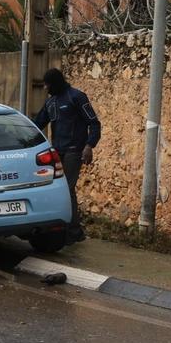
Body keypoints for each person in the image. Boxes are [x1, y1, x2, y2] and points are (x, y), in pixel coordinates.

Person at [33, 68, 102, 243]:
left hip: (74, 151)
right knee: (58, 190)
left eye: (48, 84)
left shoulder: (77, 97)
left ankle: (72, 231)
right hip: (57, 151)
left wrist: (89, 146)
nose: (45, 88)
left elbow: (94, 123)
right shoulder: (50, 103)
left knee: (67, 189)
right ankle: (68, 229)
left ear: (55, 83)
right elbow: (37, 124)